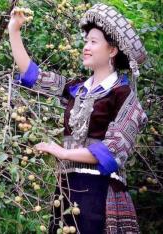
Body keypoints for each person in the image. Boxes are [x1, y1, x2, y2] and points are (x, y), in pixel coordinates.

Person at [8, 3, 147, 233]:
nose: (86, 47)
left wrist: (64, 153)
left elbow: (112, 152)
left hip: (100, 192)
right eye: (86, 41)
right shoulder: (76, 89)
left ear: (112, 50)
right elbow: (32, 75)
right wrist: (14, 30)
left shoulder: (123, 96)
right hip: (67, 190)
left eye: (93, 41)